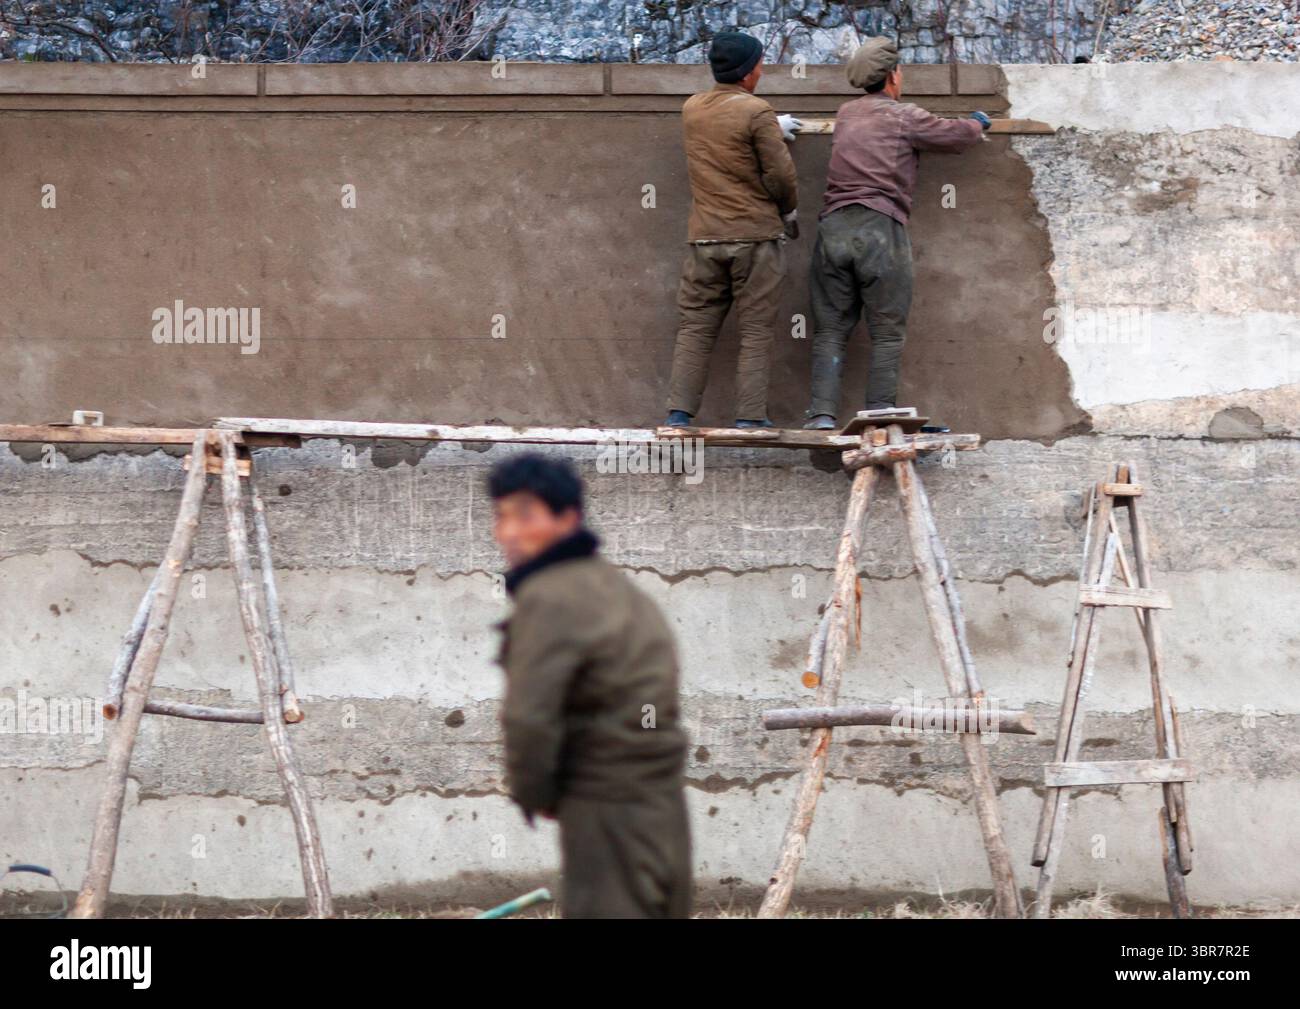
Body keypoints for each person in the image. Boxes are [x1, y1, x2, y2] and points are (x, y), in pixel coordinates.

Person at [489, 453, 691, 917]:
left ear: (568, 518)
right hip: (662, 806)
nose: (508, 532)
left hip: (603, 810)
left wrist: (536, 795)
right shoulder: (620, 591)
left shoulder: (550, 596)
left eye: (525, 515)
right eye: (500, 516)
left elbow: (528, 718)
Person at [802, 37, 991, 430]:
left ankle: (821, 417)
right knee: (886, 332)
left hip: (832, 228)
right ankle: (879, 419)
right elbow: (954, 136)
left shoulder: (847, 113)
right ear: (892, 76)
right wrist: (978, 122)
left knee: (831, 329)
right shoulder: (903, 116)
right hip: (879, 228)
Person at [664, 30, 802, 431]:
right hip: (755, 238)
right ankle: (750, 418)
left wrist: (769, 124)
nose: (762, 70)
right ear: (747, 72)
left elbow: (724, 127)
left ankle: (678, 415)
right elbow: (779, 174)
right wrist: (789, 212)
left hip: (704, 240)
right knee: (755, 329)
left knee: (696, 326)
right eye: (760, 63)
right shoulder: (757, 112)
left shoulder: (692, 109)